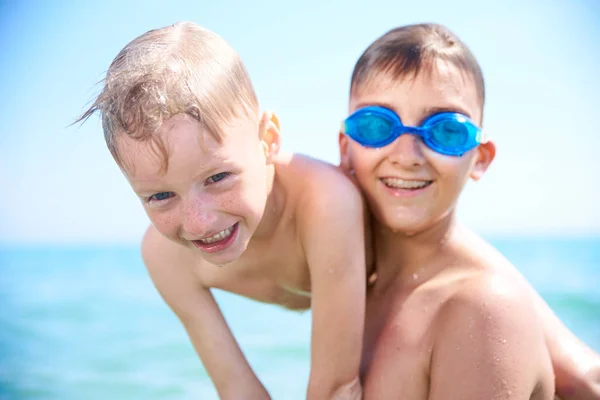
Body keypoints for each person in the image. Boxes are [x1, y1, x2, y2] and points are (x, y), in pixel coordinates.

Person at [76, 21, 368, 399]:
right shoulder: (165, 258)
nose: (199, 222)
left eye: (218, 178)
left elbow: (337, 387)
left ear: (268, 141)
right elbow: (236, 388)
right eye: (161, 196)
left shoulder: (326, 203)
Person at [337, 22, 600, 400]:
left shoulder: (481, 310)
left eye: (445, 130)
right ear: (346, 148)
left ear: (480, 158)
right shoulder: (350, 283)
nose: (407, 155)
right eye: (377, 126)